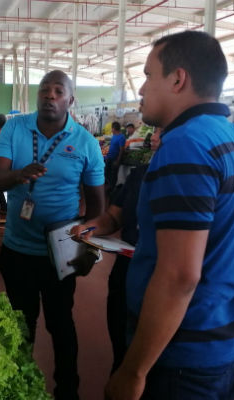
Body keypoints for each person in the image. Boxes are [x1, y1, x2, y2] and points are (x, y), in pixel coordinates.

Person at [102, 30, 234, 400]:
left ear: (178, 79)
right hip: (226, 347)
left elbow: (179, 277)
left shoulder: (185, 146)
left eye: (148, 76)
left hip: (180, 358)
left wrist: (133, 371)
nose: (141, 91)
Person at [0, 69, 105, 400]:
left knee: (61, 324)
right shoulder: (15, 127)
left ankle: (69, 390)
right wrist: (18, 175)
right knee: (22, 327)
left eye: (58, 90)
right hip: (17, 251)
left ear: (70, 99)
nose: (49, 95)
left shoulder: (85, 142)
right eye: (44, 89)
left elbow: (97, 207)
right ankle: (18, 387)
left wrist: (89, 250)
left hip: (60, 256)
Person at [70, 126, 162, 375]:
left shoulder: (195, 183)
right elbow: (112, 218)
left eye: (163, 132)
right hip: (128, 270)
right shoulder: (139, 176)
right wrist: (90, 228)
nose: (154, 138)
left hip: (162, 279)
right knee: (121, 340)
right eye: (154, 132)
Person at [104, 121, 126, 193]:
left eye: (112, 128)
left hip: (114, 159)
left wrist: (118, 161)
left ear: (114, 128)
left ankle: (112, 190)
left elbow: (121, 150)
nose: (111, 130)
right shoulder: (114, 135)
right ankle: (107, 187)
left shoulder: (121, 137)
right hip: (109, 157)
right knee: (107, 173)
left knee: (113, 175)